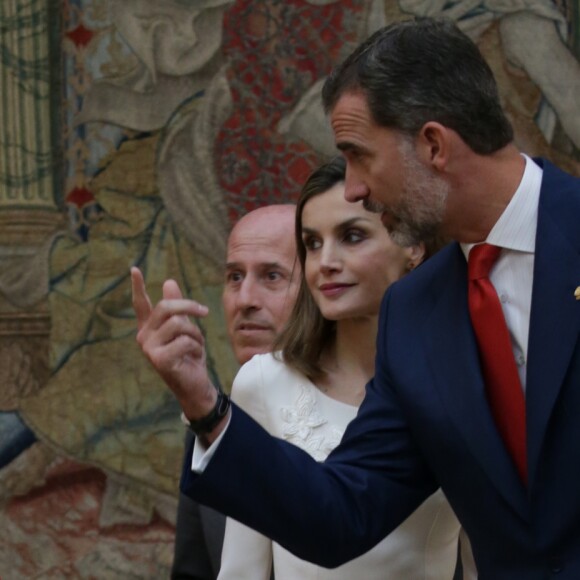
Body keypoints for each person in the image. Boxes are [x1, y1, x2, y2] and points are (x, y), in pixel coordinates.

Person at [132, 17, 580, 579]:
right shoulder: (414, 315)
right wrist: (206, 407)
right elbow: (345, 511)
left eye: (359, 154)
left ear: (434, 145)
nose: (353, 188)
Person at [217, 157, 471, 580]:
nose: (325, 261)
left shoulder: (463, 383)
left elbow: (494, 561)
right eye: (312, 244)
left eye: (352, 236)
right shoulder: (263, 382)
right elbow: (241, 572)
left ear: (413, 245)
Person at [171, 204, 299, 579]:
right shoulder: (211, 418)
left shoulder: (374, 415)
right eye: (234, 277)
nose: (245, 300)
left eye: (272, 276)